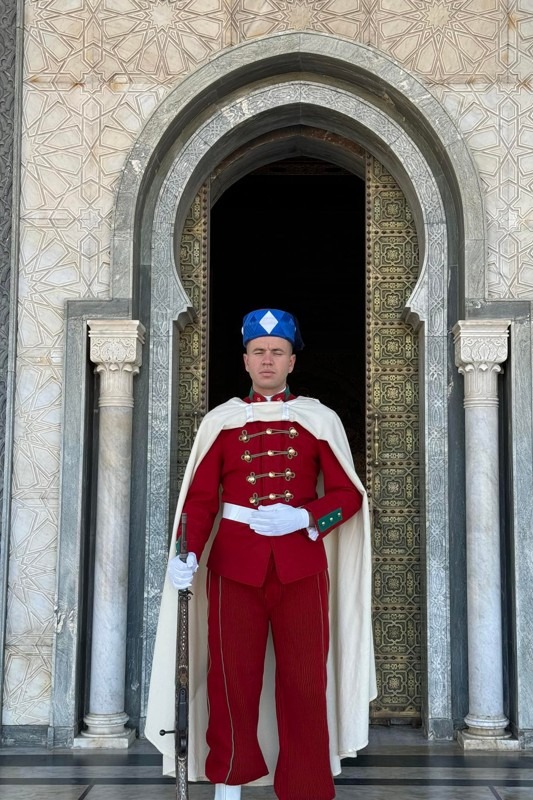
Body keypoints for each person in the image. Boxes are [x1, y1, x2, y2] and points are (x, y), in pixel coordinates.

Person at [145, 308, 376, 800]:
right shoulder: (221, 421)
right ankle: (229, 782)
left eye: (277, 352)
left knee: (306, 686)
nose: (267, 360)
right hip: (233, 568)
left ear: (292, 360)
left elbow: (348, 496)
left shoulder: (319, 420)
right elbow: (201, 501)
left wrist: (308, 517)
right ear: (245, 361)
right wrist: (186, 554)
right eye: (258, 352)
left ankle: (307, 786)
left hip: (301, 567)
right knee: (232, 682)